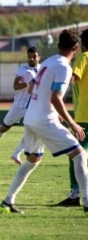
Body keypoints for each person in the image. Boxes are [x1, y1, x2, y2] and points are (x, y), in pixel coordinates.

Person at [0, 29, 88, 214]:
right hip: (43, 120)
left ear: (58, 46)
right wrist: (73, 124)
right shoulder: (64, 67)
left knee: (32, 160)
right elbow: (56, 97)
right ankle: (87, 201)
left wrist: (56, 113)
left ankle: (8, 200)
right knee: (80, 155)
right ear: (76, 47)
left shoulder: (48, 62)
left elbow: (37, 92)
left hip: (31, 117)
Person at [0, 47, 41, 164]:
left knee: (35, 129)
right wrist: (28, 83)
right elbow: (16, 86)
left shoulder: (42, 69)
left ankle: (16, 153)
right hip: (19, 105)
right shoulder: (23, 69)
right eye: (29, 56)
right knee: (4, 127)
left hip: (33, 105)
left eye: (34, 56)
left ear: (39, 57)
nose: (31, 59)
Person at [57, 29, 88, 206]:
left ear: (82, 44)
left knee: (75, 153)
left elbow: (72, 78)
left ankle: (76, 193)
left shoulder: (84, 57)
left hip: (84, 116)